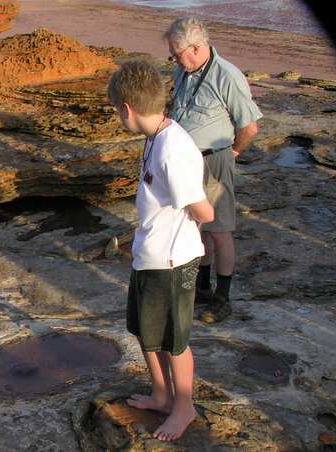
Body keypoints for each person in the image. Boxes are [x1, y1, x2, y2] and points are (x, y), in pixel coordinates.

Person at [108, 59, 214, 442]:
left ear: (127, 109)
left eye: (116, 113)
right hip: (148, 254)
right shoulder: (155, 136)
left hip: (172, 261)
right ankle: (161, 393)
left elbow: (204, 208)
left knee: (173, 340)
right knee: (145, 332)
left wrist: (199, 212)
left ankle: (183, 407)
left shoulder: (173, 148)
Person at [164, 17, 262, 323]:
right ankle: (202, 287)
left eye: (177, 54)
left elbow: (249, 127)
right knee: (196, 227)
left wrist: (233, 152)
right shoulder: (184, 70)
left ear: (195, 48)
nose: (175, 60)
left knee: (220, 230)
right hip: (187, 161)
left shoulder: (227, 76)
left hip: (215, 160)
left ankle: (223, 297)